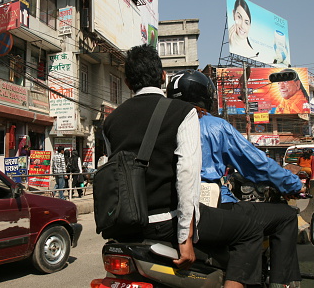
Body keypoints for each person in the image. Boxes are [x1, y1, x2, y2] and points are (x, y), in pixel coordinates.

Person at [103, 44, 264, 288]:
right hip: (165, 224)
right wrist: (185, 237)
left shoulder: (110, 121)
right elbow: (187, 175)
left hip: (127, 226)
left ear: (127, 83)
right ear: (163, 77)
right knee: (251, 229)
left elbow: (115, 176)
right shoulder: (183, 112)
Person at [167, 70, 305, 287]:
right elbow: (257, 164)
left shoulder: (165, 126)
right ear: (205, 96)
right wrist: (292, 183)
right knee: (286, 216)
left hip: (173, 211)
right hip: (213, 207)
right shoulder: (215, 126)